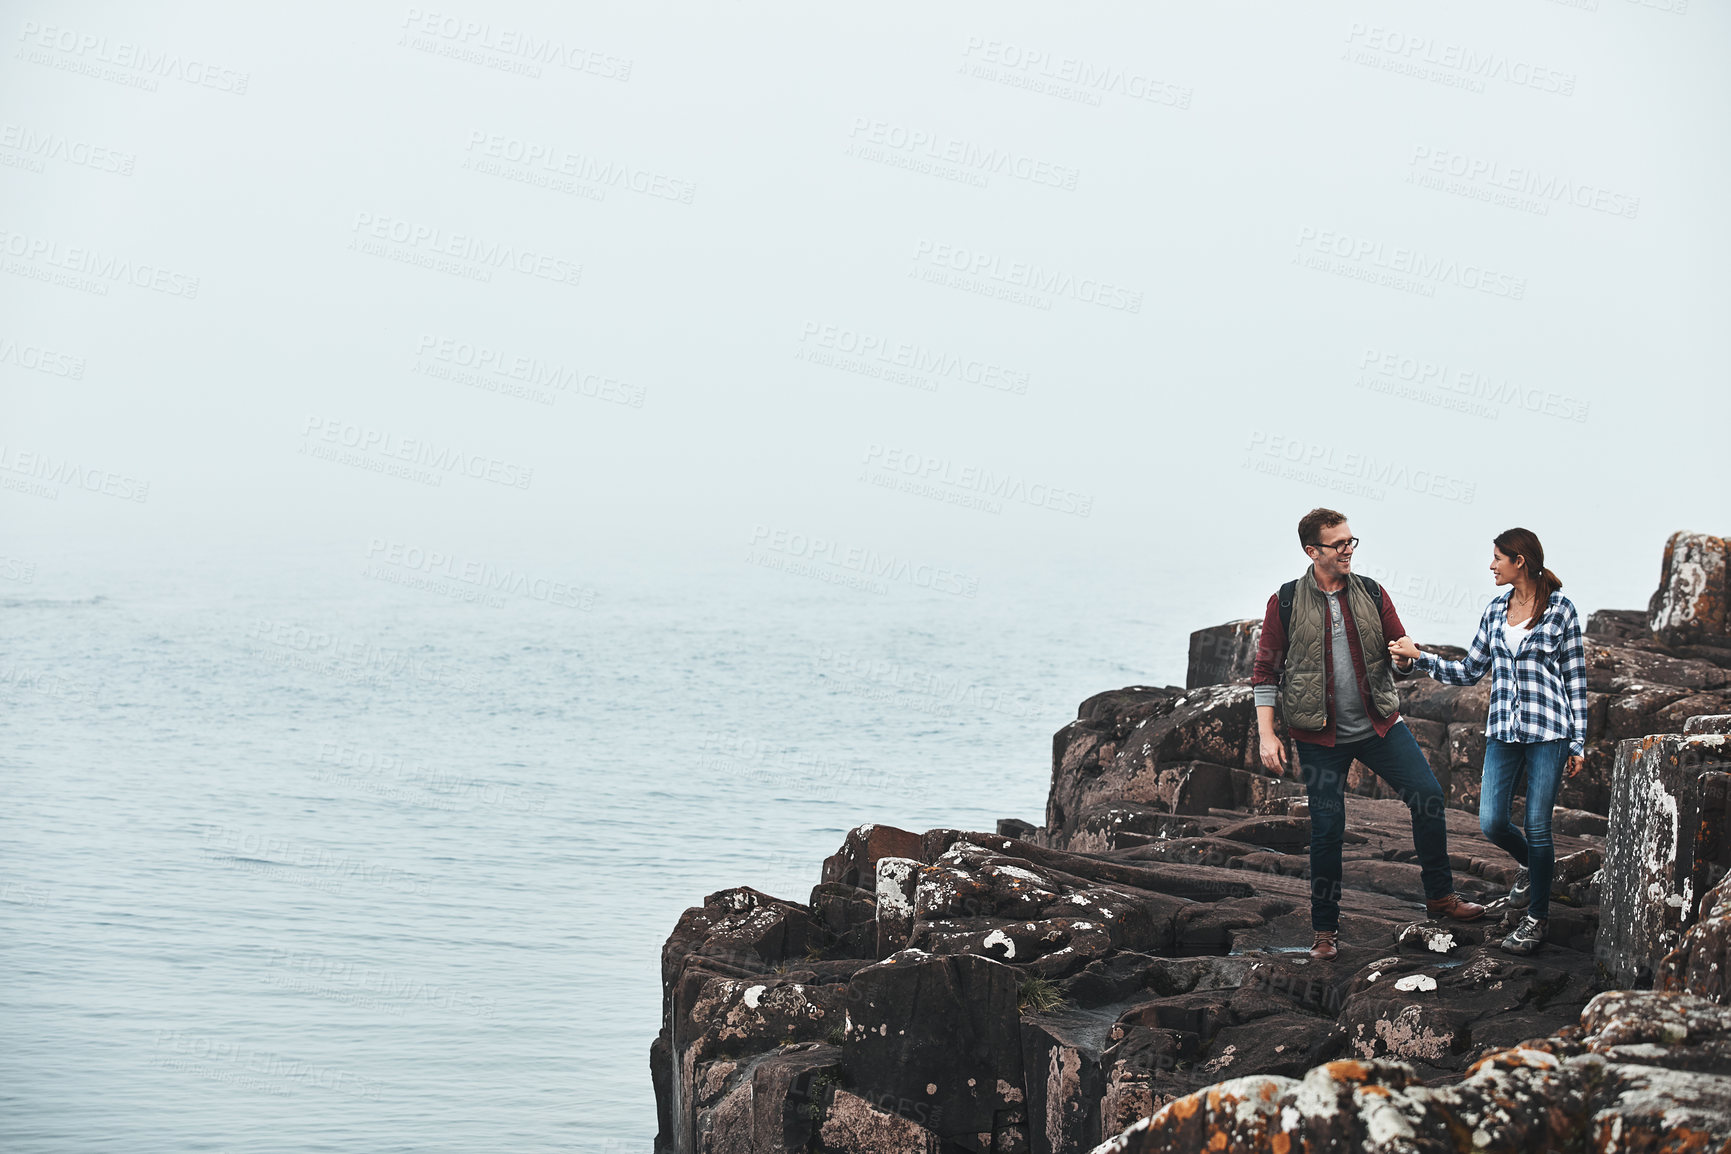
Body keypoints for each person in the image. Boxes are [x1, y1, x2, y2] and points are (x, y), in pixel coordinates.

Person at [1252, 508, 1484, 963]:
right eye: (1339, 544)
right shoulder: (1284, 602)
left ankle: (1440, 897)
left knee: (1428, 796)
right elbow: (1265, 672)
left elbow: (1401, 650)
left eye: (1351, 541)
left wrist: (1403, 659)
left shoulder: (1372, 593)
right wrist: (1267, 734)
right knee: (1327, 830)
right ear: (1312, 551)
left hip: (1380, 726)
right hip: (1318, 737)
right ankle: (1324, 930)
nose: (1348, 550)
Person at [1388, 528, 1587, 955]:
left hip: (1550, 730)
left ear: (1520, 560)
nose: (1491, 565)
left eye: (1498, 558)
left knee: (1537, 826)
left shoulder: (1561, 610)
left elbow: (1575, 677)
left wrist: (1578, 742)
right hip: (1503, 730)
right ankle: (1532, 869)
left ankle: (1537, 919)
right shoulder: (1496, 610)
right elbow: (1469, 669)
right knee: (1492, 822)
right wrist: (1419, 657)